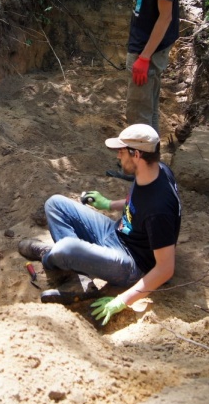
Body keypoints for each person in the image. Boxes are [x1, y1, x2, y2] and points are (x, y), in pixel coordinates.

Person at [19, 124, 182, 325]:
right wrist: (108, 204)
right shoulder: (158, 170)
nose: (118, 157)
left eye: (122, 152)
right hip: (117, 232)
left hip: (131, 262)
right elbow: (138, 203)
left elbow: (166, 268)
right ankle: (77, 275)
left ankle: (51, 256)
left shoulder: (159, 209)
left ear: (137, 154)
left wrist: (122, 300)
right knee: (55, 204)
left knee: (66, 248)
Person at [107, 0, 180, 181]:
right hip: (143, 49)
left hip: (146, 53)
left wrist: (144, 58)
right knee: (147, 109)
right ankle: (151, 166)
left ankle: (139, 170)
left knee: (138, 113)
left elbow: (166, 17)